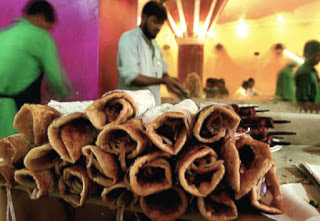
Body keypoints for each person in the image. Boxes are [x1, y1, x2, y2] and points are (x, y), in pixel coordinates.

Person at [0, 0, 73, 139]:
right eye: (48, 26)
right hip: (10, 115)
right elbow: (57, 79)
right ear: (39, 18)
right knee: (12, 156)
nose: (47, 30)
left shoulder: (4, 34)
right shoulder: (40, 36)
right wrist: (68, 102)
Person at [117, 1, 186, 105]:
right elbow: (132, 77)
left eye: (161, 23)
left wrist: (171, 82)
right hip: (133, 110)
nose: (158, 27)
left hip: (153, 108)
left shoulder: (155, 46)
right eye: (155, 22)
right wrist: (163, 81)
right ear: (144, 18)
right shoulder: (129, 39)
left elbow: (162, 71)